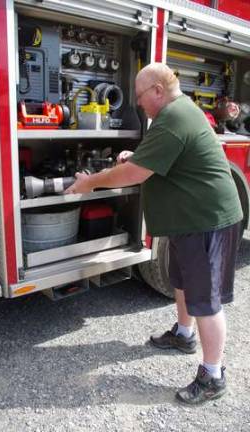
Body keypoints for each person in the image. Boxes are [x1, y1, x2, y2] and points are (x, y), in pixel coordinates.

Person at [65, 63, 243, 405]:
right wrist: (140, 155)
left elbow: (132, 174)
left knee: (206, 301)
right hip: (187, 222)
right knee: (180, 281)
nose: (138, 104)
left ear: (158, 90)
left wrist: (90, 181)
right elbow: (159, 158)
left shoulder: (175, 118)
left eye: (140, 96)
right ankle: (184, 335)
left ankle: (213, 375)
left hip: (206, 221)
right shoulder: (174, 114)